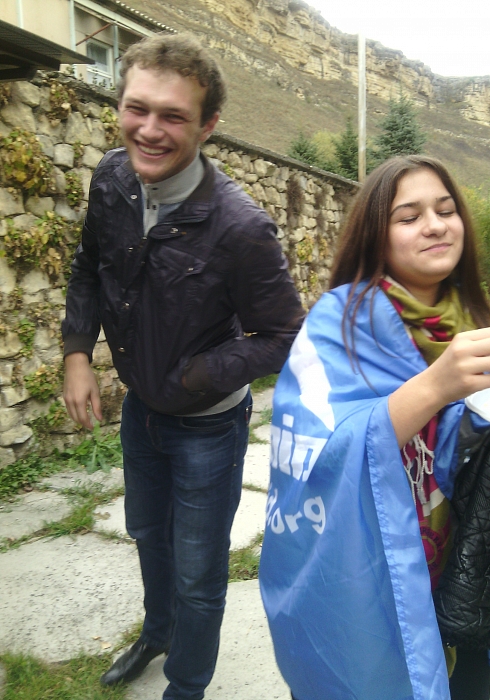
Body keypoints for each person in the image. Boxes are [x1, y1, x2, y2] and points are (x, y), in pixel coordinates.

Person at [62, 32, 304, 700]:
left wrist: (197, 377)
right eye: (137, 108)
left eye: (172, 116)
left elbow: (284, 335)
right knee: (147, 533)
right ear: (120, 105)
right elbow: (88, 267)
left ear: (207, 125)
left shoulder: (240, 227)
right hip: (141, 413)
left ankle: (187, 686)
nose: (149, 129)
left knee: (199, 574)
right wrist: (77, 352)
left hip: (208, 428)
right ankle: (157, 632)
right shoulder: (112, 177)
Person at [259, 155, 490, 700]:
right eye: (409, 216)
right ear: (375, 236)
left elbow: (487, 454)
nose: (434, 225)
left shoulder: (479, 323)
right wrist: (436, 385)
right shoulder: (337, 323)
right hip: (372, 582)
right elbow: (320, 452)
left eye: (446, 210)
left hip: (462, 581)